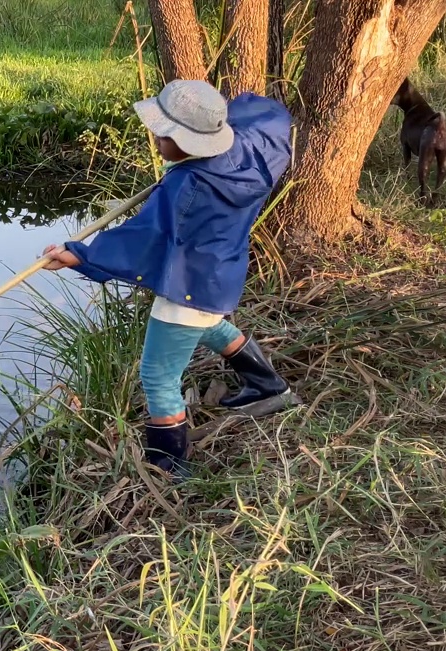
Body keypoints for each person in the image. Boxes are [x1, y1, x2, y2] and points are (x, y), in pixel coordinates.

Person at [40, 79, 297, 478]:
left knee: (158, 375)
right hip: (220, 275)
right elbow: (266, 116)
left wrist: (80, 255)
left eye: (167, 133)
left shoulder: (186, 186)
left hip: (189, 284)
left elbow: (144, 239)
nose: (157, 137)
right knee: (209, 323)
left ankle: (168, 468)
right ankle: (268, 387)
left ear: (195, 140)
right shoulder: (251, 151)